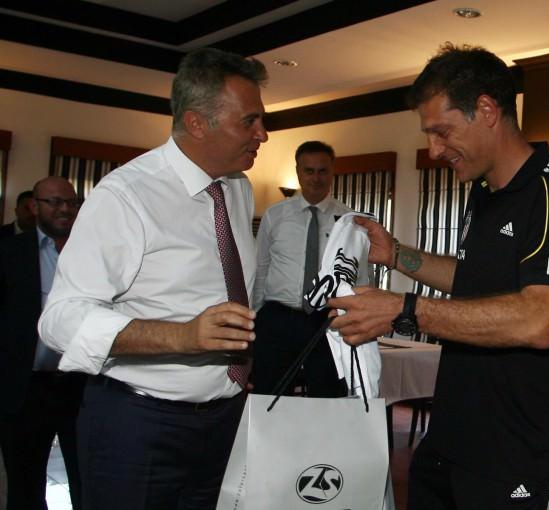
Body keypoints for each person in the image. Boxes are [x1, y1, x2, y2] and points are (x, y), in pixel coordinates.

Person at [329, 43, 549, 510]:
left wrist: (402, 309)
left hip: (518, 458)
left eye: (442, 131)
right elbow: (475, 279)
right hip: (450, 440)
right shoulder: (483, 192)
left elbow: (538, 319)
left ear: (487, 111)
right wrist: (398, 255)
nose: (434, 150)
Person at [38, 48, 268, 510]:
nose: (263, 134)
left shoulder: (238, 189)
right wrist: (182, 336)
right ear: (197, 123)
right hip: (138, 426)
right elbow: (60, 320)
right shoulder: (126, 196)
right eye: (250, 121)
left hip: (225, 420)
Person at [0, 176, 84, 509]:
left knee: (87, 480)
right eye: (55, 202)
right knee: (25, 485)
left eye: (71, 202)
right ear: (35, 206)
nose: (65, 209)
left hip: (80, 387)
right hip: (26, 390)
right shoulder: (9, 253)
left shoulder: (92, 253)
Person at [252, 141, 361, 397]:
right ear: (298, 172)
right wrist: (256, 315)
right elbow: (261, 267)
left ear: (332, 171)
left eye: (322, 171)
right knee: (269, 395)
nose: (316, 178)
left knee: (327, 397)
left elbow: (357, 275)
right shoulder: (275, 215)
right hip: (277, 318)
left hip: (326, 321)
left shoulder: (349, 221)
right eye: (309, 170)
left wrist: (354, 317)